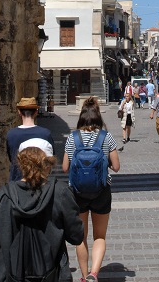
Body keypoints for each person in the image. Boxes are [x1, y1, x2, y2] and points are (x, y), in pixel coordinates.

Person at [0, 146, 84, 282]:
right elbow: (76, 236)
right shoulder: (60, 192)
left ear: (20, 166)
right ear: (46, 164)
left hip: (11, 274)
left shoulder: (3, 196)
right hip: (53, 273)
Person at [63, 97, 120, 282]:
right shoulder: (106, 137)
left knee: (81, 237)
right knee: (99, 236)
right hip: (101, 191)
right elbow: (116, 167)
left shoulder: (72, 138)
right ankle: (94, 274)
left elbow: (65, 168)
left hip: (78, 192)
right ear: (98, 116)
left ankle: (83, 275)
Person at [6, 96, 55, 181]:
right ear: (36, 112)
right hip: (40, 180)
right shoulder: (45, 134)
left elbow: (11, 157)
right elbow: (50, 157)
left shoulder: (11, 134)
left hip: (17, 180)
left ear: (19, 112)